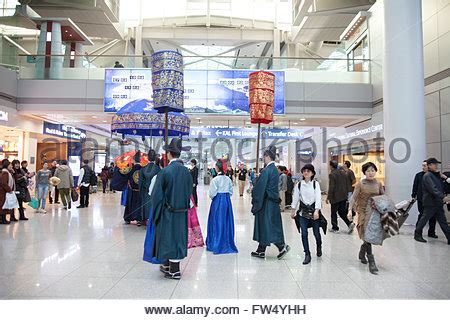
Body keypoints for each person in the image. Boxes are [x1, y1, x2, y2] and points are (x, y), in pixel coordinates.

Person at [150, 138, 193, 280]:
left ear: (169, 154)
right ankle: (172, 268)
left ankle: (173, 270)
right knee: (178, 238)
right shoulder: (187, 172)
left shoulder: (165, 172)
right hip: (182, 212)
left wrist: (156, 213)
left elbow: (157, 196)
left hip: (168, 212)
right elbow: (189, 193)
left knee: (168, 238)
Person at [251, 146, 290, 259]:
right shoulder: (273, 169)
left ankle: (282, 246)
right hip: (271, 202)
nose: (263, 159)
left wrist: (256, 183)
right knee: (267, 225)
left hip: (267, 203)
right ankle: (261, 250)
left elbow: (260, 187)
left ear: (267, 156)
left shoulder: (268, 170)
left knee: (269, 226)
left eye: (264, 157)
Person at [348, 162, 385, 274]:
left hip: (374, 213)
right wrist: (350, 210)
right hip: (363, 212)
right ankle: (371, 261)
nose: (370, 173)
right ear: (364, 172)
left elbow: (383, 197)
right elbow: (353, 198)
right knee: (367, 234)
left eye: (372, 170)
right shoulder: (361, 184)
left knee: (371, 235)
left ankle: (362, 250)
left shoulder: (378, 183)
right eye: (368, 171)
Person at [291, 164, 322, 265]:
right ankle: (307, 254)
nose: (306, 172)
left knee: (316, 233)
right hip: (302, 213)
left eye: (308, 171)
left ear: (312, 173)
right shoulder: (299, 185)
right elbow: (295, 198)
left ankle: (319, 245)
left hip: (314, 212)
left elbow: (318, 197)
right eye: (304, 171)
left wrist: (317, 210)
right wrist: (293, 210)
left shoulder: (315, 184)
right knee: (303, 233)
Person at [414, 158, 450, 244]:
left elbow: (440, 187)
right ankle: (417, 234)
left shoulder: (436, 175)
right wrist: (443, 197)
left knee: (443, 221)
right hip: (430, 203)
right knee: (424, 219)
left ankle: (449, 237)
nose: (436, 166)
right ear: (429, 165)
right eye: (435, 164)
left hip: (437, 202)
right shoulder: (427, 176)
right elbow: (433, 189)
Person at [206, 159, 238, 254]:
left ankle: (215, 243)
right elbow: (231, 192)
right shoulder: (228, 179)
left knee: (216, 221)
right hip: (226, 201)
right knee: (226, 221)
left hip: (217, 202)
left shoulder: (215, 180)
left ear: (216, 168)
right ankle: (226, 242)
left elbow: (212, 194)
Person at [327, 160, 355, 233]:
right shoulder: (343, 173)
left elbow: (331, 187)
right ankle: (350, 223)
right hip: (343, 196)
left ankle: (335, 228)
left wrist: (328, 197)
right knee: (342, 212)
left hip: (335, 197)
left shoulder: (332, 174)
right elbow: (346, 184)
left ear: (331, 166)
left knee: (333, 212)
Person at [412, 160, 437, 238]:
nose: (423, 167)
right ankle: (418, 233)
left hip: (433, 200)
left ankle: (431, 232)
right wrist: (413, 195)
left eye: (424, 166)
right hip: (421, 199)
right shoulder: (418, 175)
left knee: (433, 216)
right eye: (422, 165)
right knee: (422, 216)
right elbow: (415, 186)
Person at [124, 151, 144, 226]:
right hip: (140, 191)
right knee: (139, 204)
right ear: (140, 160)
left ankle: (128, 219)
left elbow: (126, 178)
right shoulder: (143, 169)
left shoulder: (130, 169)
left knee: (130, 204)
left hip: (132, 190)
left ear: (134, 160)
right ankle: (139, 219)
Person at [139, 149, 158, 224]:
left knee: (145, 206)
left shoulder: (143, 169)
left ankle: (145, 219)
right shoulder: (158, 169)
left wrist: (141, 192)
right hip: (155, 192)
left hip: (145, 192)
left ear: (147, 158)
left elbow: (140, 183)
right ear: (155, 158)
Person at [1, 159, 15, 224]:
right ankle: (2, 219)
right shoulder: (5, 173)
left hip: (4, 192)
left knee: (4, 205)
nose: (11, 166)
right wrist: (9, 190)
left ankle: (3, 219)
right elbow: (4, 183)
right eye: (10, 165)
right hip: (3, 192)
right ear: (7, 165)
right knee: (3, 205)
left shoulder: (7, 172)